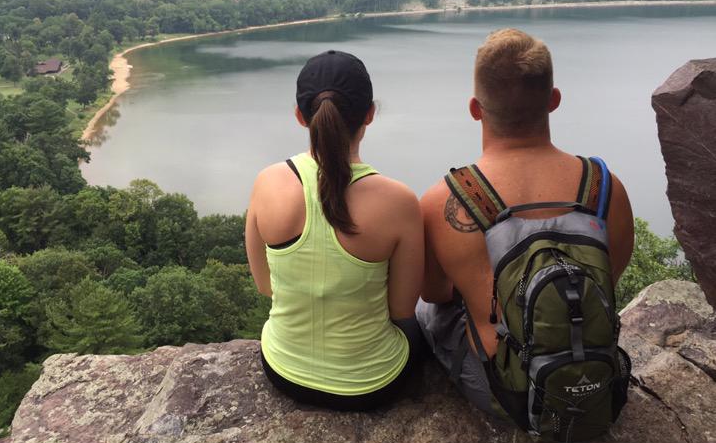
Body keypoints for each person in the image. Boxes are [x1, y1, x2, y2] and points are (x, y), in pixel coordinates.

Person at [417, 28, 635, 415]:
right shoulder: (604, 187)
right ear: (554, 100)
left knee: (425, 310)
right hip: (593, 373)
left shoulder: (443, 200)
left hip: (503, 391)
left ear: (474, 108)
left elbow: (435, 293)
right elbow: (605, 279)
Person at [246, 49, 425, 410]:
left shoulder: (267, 183)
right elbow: (402, 310)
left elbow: (266, 287)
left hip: (282, 371)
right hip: (372, 384)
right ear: (370, 114)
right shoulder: (398, 202)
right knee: (423, 329)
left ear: (300, 116)